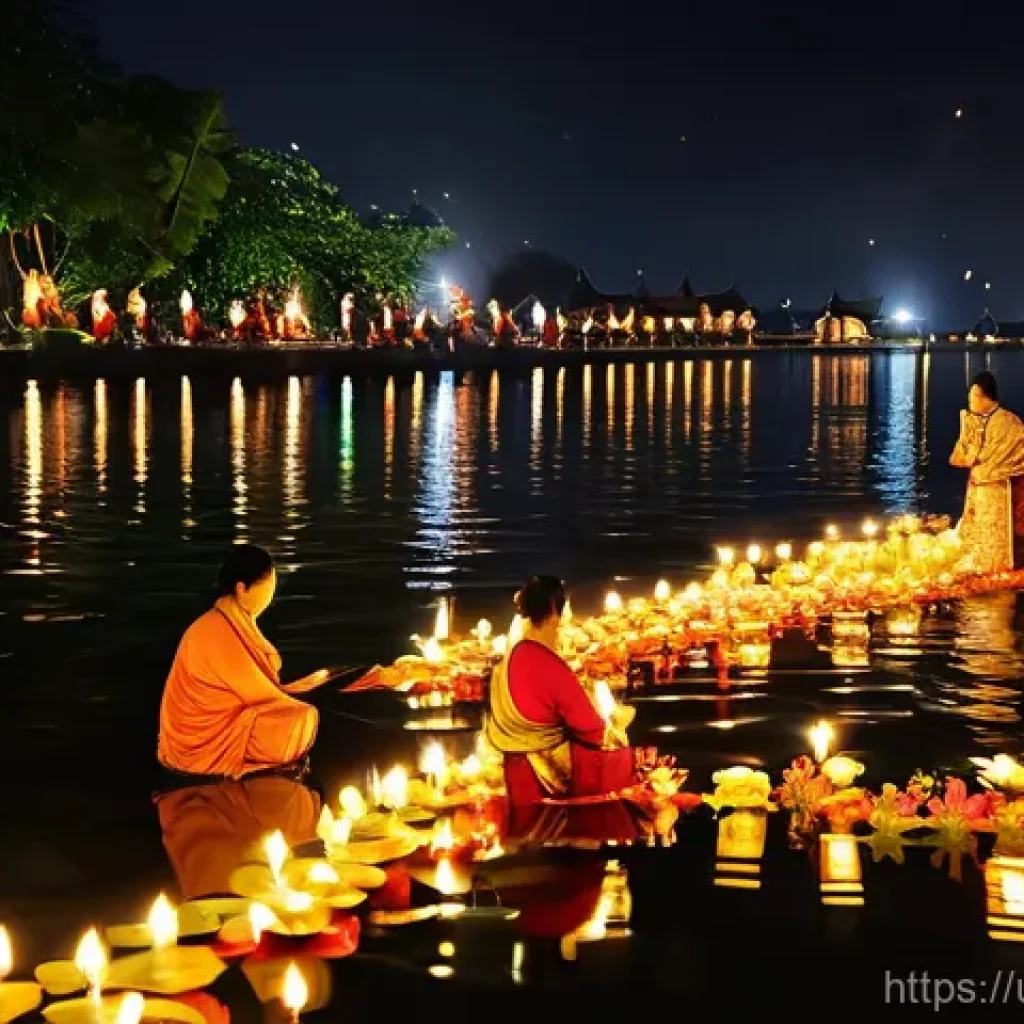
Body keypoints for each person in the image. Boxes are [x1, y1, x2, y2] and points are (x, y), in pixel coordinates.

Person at [158, 545, 329, 779]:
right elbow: (261, 695)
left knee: (299, 712)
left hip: (229, 722)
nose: (271, 594)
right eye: (268, 587)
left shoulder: (231, 621)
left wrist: (304, 687)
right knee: (301, 719)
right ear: (242, 588)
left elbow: (261, 691)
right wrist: (304, 695)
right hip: (200, 745)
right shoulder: (215, 630)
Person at [485, 575, 634, 804]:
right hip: (547, 774)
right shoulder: (548, 665)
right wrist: (613, 722)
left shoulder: (508, 659)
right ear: (556, 610)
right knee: (621, 755)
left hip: (513, 770)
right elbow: (592, 729)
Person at [950, 372, 1024, 574]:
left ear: (982, 396)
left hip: (1000, 488)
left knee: (998, 539)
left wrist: (983, 467)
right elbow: (965, 455)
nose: (970, 401)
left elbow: (1011, 456)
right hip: (978, 487)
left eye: (973, 396)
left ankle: (1000, 564)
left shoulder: (1009, 423)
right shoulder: (974, 421)